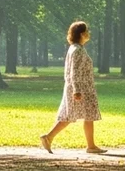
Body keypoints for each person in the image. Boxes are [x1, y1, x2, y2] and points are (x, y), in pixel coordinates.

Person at [39, 21, 105, 154]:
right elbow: (74, 71)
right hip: (81, 88)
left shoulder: (75, 48)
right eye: (87, 31)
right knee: (86, 115)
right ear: (82, 33)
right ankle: (90, 146)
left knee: (71, 116)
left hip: (79, 87)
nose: (88, 33)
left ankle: (49, 137)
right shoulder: (77, 50)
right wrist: (76, 89)